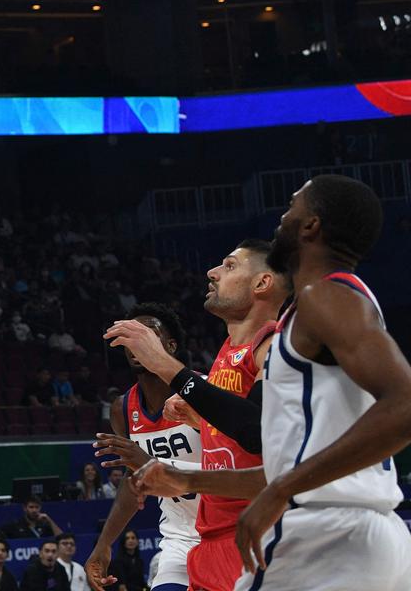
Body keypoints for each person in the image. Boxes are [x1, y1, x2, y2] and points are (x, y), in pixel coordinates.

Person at [132, 177, 411, 591]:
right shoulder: (315, 314)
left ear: (310, 226)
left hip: (324, 534)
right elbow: (280, 464)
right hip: (357, 533)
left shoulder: (326, 297)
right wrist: (192, 480)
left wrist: (283, 488)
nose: (281, 218)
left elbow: (405, 406)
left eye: (291, 209)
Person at [104, 240, 286, 591]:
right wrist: (199, 421)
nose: (212, 272)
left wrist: (165, 366)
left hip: (256, 534)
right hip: (210, 539)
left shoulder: (274, 345)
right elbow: (246, 440)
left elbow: (259, 435)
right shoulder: (227, 351)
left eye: (229, 266)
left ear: (262, 283)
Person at [86, 303, 199, 591]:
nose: (137, 344)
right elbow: (133, 480)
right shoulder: (122, 408)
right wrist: (104, 544)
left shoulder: (204, 391)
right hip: (180, 539)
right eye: (131, 337)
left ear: (171, 346)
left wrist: (149, 464)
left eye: (148, 334)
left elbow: (230, 467)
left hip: (229, 530)